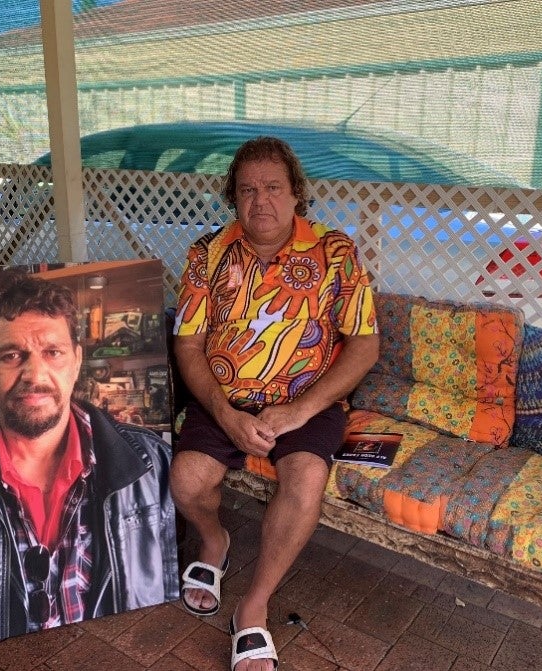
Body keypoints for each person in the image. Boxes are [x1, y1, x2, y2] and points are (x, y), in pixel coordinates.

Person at [0, 270, 178, 661]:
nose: (34, 375)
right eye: (12, 355)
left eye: (52, 353)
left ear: (77, 362)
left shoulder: (155, 467)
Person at [171, 137, 379, 671]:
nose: (259, 201)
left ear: (295, 196)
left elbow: (364, 344)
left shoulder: (335, 253)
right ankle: (214, 543)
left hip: (305, 403)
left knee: (306, 478)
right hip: (228, 401)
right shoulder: (207, 254)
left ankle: (254, 604)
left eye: (271, 188)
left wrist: (299, 411)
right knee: (187, 481)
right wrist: (225, 414)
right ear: (233, 198)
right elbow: (189, 345)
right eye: (246, 190)